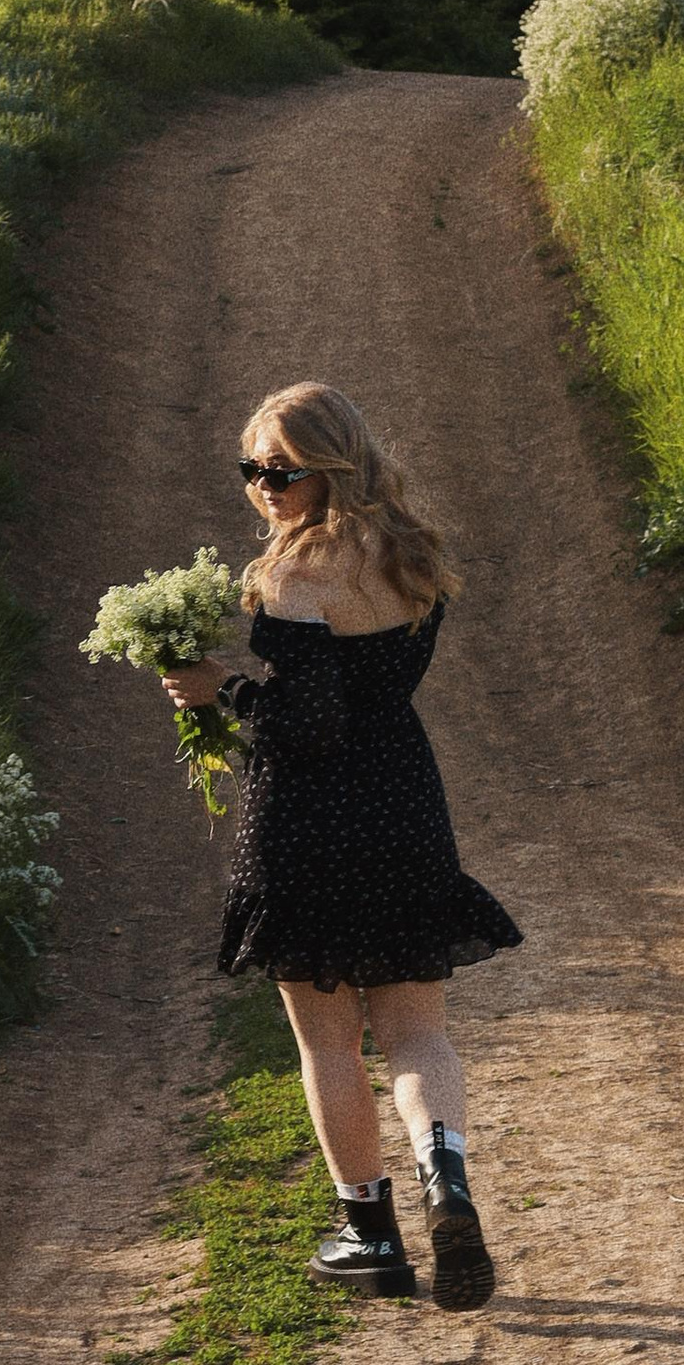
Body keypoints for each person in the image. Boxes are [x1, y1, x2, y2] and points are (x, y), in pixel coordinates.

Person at [160, 381, 518, 1307]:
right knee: (416, 1029)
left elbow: (309, 722)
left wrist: (219, 692)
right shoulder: (410, 556)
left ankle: (372, 1237)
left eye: (282, 470)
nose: (264, 487)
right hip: (402, 801)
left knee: (328, 1041)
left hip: (310, 819)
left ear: (331, 466)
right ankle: (449, 1179)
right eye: (253, 469)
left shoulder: (297, 574)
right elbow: (371, 699)